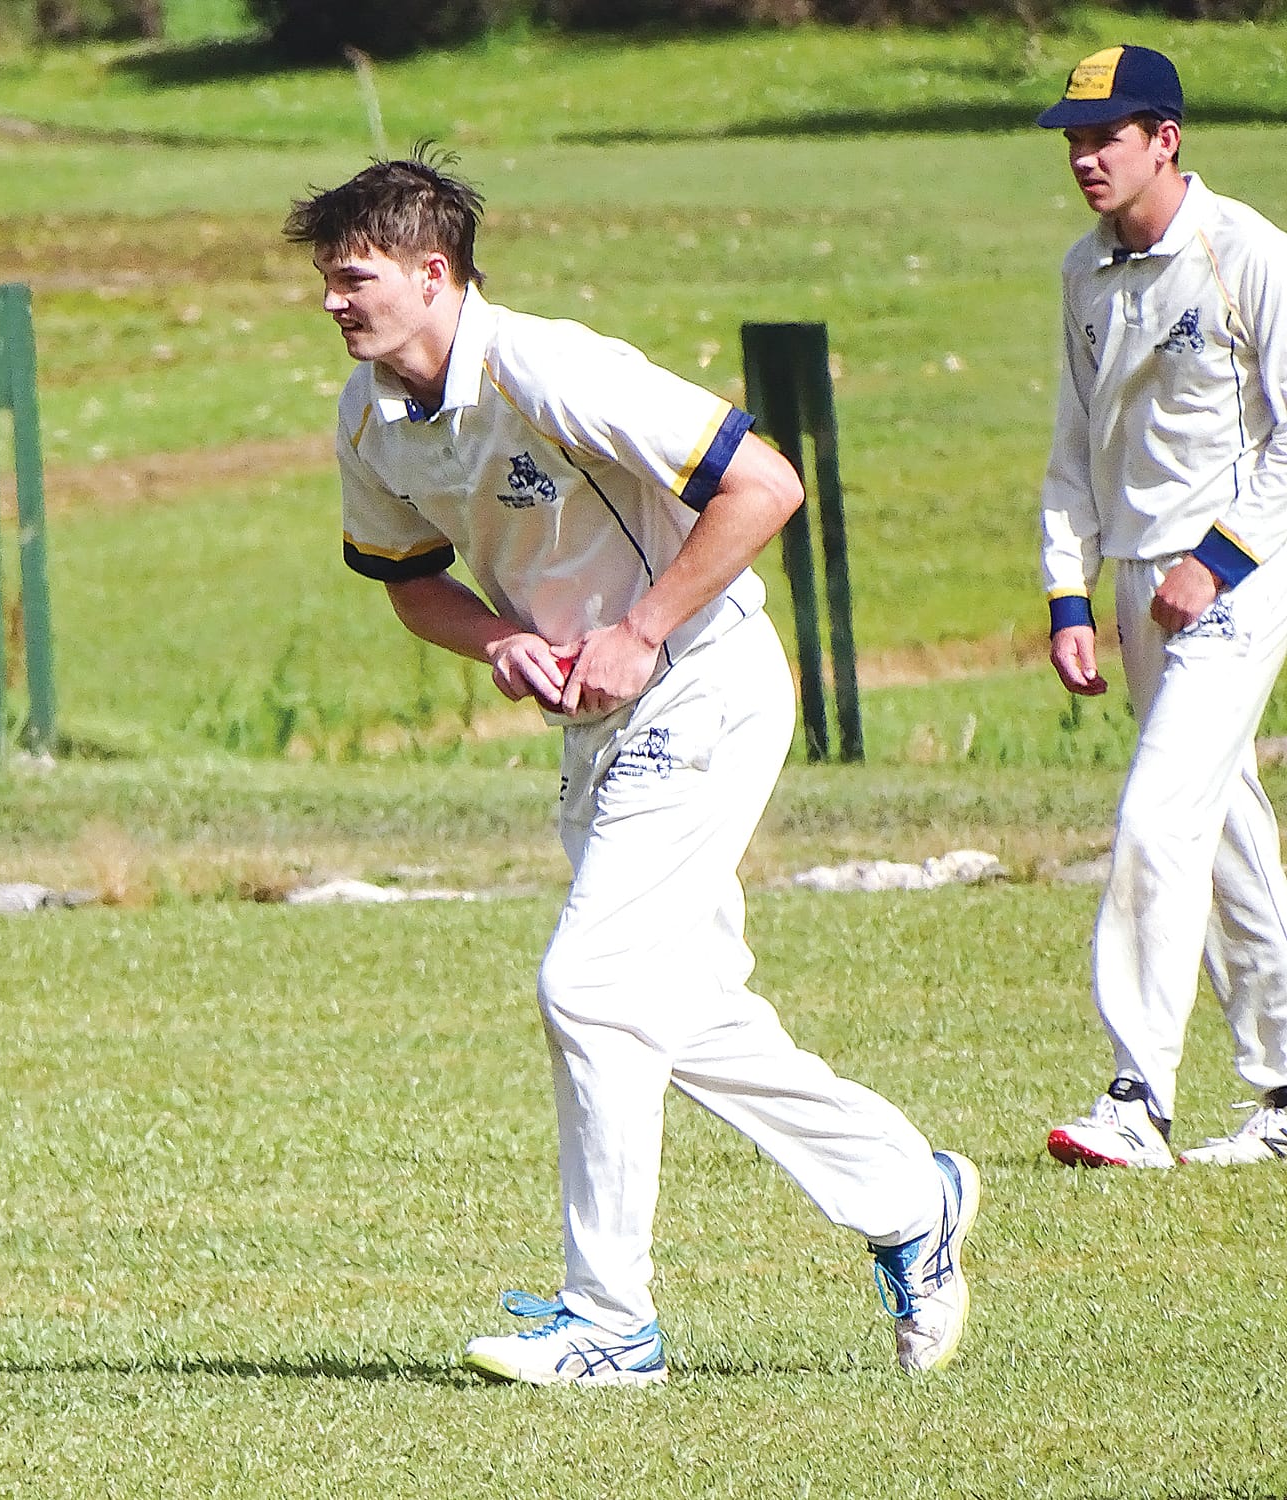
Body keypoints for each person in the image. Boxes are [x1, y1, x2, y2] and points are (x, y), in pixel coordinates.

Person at [283, 151, 978, 1385]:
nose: (332, 301)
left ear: (432, 274)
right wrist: (499, 637)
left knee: (588, 987)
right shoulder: (366, 416)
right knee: (679, 1012)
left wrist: (640, 628)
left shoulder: (546, 365)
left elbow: (764, 485)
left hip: (702, 678)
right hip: (599, 724)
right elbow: (405, 586)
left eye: (354, 276)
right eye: (329, 281)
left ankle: (609, 1324)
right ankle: (906, 1197)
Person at [1036, 46, 1287, 1170]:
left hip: (1235, 573)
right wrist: (1066, 590)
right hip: (1137, 582)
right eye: (1073, 140)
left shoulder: (1246, 253)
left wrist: (1217, 560)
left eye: (1106, 137)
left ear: (1164, 141)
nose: (1085, 159)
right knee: (1225, 829)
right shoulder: (1080, 273)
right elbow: (1070, 445)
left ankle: (1136, 1098)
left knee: (1154, 818)